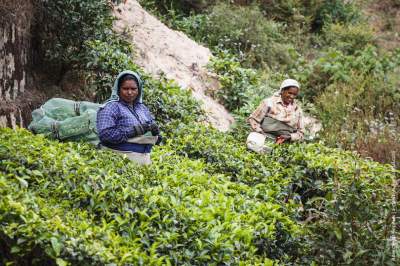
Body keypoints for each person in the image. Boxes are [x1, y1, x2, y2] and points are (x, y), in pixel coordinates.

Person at [96, 70, 161, 165]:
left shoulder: (142, 108)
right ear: (118, 89)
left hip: (144, 160)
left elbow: (156, 138)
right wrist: (135, 130)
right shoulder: (111, 107)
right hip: (119, 161)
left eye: (133, 89)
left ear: (139, 90)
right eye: (125, 88)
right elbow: (105, 135)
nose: (130, 92)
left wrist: (156, 133)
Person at [246, 79, 304, 152]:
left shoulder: (297, 110)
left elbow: (301, 133)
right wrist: (260, 132)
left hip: (284, 143)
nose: (292, 96)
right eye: (289, 93)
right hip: (263, 138)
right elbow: (253, 119)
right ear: (282, 91)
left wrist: (290, 137)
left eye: (294, 94)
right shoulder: (269, 103)